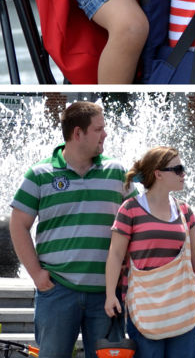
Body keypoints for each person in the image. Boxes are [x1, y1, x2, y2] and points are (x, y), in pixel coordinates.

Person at [9, 101, 135, 358]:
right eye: (99, 129)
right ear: (78, 133)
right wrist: (36, 274)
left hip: (106, 295)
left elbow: (138, 223)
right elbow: (18, 225)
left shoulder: (118, 174)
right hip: (57, 291)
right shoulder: (39, 174)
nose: (106, 134)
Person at [104, 147, 195, 357]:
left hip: (182, 307)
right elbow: (115, 254)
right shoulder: (130, 209)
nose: (184, 174)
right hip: (145, 308)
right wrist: (111, 295)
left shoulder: (185, 210)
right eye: (178, 169)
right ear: (158, 174)